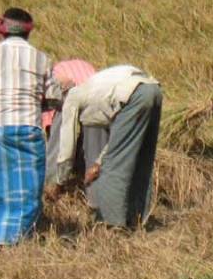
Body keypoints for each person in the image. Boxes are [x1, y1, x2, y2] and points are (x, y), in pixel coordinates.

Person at [0, 8, 61, 246]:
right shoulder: (41, 58)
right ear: (29, 31)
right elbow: (55, 98)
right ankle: (14, 239)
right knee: (26, 189)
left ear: (2, 30)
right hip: (29, 128)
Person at [49, 64, 163, 229]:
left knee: (112, 167)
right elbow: (119, 136)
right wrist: (97, 164)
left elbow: (67, 145)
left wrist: (59, 181)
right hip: (153, 89)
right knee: (141, 160)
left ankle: (111, 226)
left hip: (132, 94)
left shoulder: (72, 97)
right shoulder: (94, 90)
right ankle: (137, 221)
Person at [42, 60, 108, 208]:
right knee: (94, 145)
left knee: (59, 139)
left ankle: (52, 187)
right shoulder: (86, 66)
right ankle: (96, 197)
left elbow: (52, 132)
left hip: (71, 95)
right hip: (100, 97)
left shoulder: (52, 83)